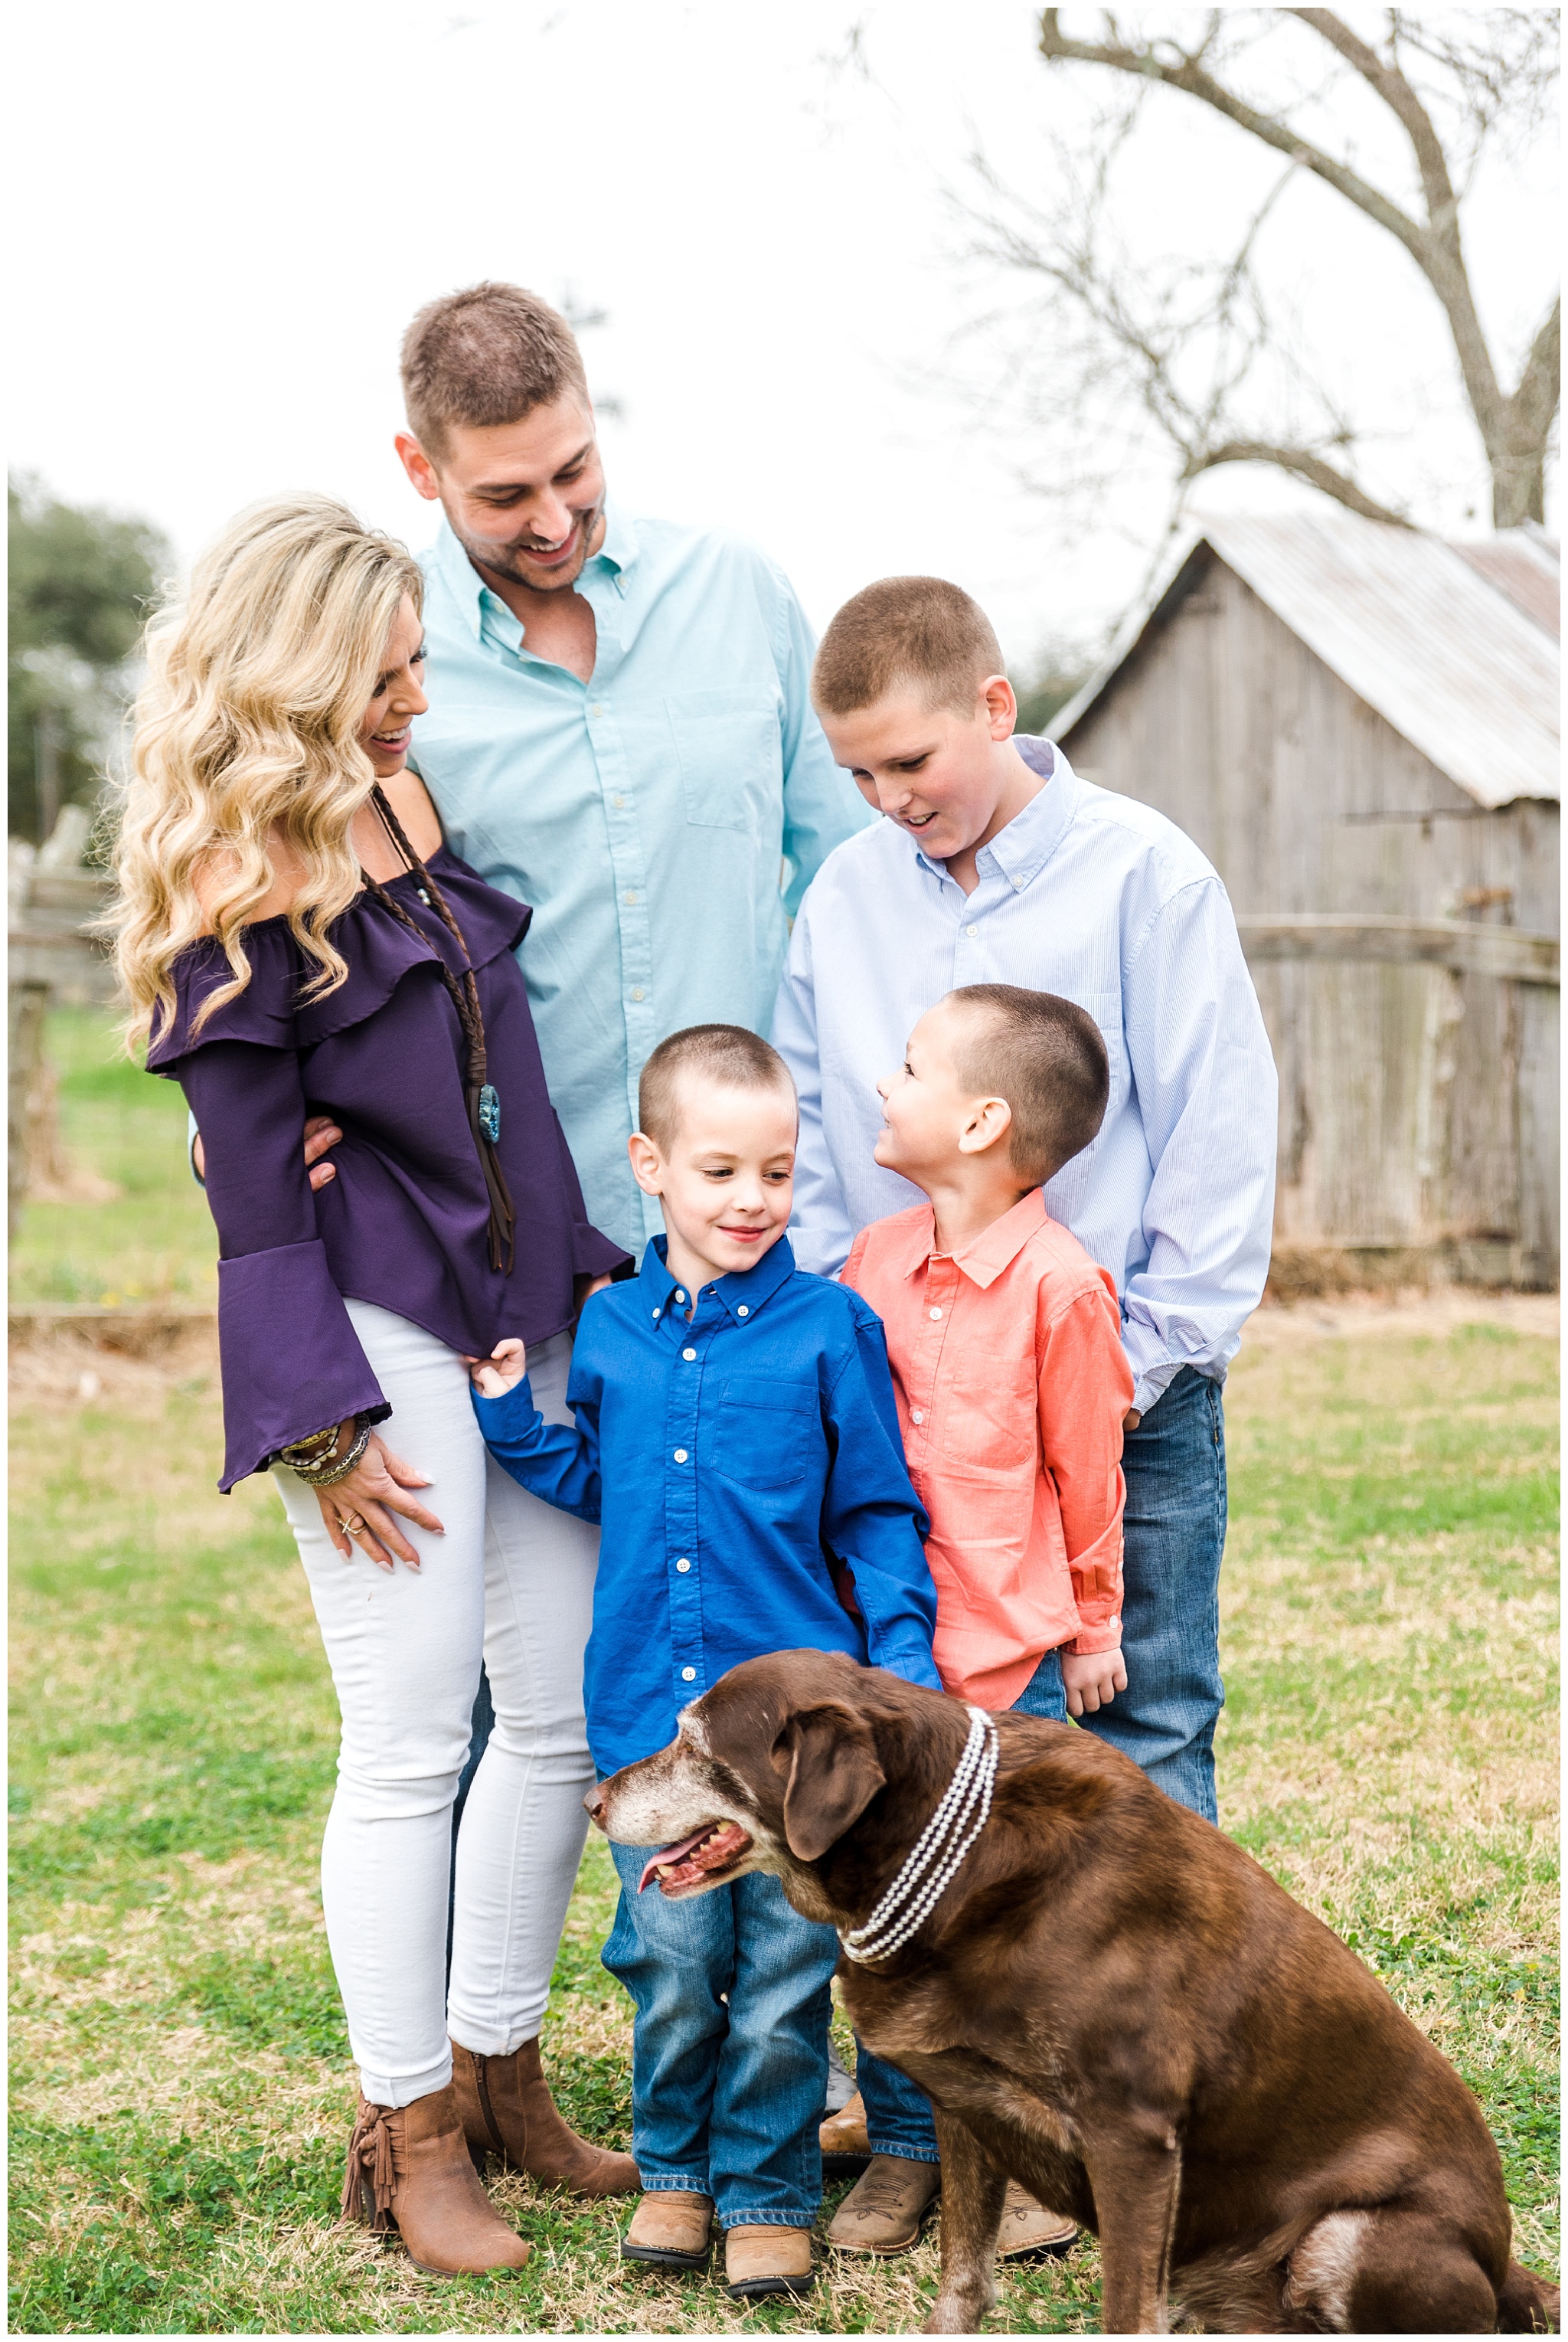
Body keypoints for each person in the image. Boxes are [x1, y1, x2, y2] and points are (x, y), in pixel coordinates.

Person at [115, 496, 640, 2279]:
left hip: (512, 1291)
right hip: (368, 1321)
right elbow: (250, 1180)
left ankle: (501, 2068)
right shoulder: (232, 864)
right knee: (411, 1736)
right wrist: (321, 1424)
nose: (420, 694)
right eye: (389, 667)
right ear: (298, 672)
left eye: (420, 660)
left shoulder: (406, 797)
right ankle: (405, 2127)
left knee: (556, 1708)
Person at [769, 577, 1277, 2181]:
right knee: (908, 1746)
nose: (887, 800)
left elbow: (1212, 1128)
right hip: (903, 1418)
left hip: (1109, 1395)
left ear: (994, 706)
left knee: (1137, 1739)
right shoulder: (846, 897)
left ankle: (1158, 2114)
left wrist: (1121, 1367)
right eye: (854, 774)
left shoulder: (1144, 872)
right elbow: (814, 1134)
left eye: (909, 761)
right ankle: (946, 2121)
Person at [465, 1025, 942, 2304]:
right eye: (721, 1170)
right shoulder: (611, 1326)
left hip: (789, 1749)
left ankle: (770, 2193)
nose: (752, 1199)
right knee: (672, 1968)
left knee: (787, 1979)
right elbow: (601, 1486)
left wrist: (897, 1674)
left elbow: (874, 1515)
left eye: (777, 1173)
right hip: (648, 1728)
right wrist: (514, 1416)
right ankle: (674, 2178)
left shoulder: (832, 1327)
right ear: (651, 1165)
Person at [827, 983, 1134, 2258]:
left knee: (1002, 1939)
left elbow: (1089, 1471)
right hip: (877, 1657)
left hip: (1004, 1670)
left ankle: (1012, 2172)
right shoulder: (875, 1258)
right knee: (881, 1920)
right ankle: (903, 2154)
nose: (884, 1085)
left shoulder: (1061, 1287)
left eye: (908, 1067)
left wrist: (1097, 1624)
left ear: (982, 1117)